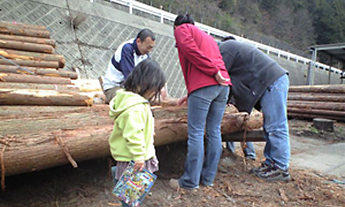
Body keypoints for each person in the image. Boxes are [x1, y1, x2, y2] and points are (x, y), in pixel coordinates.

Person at [169, 14, 232, 190]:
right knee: (214, 131)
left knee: (196, 132)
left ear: (177, 26)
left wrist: (213, 72)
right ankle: (208, 178)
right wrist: (191, 93)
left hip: (207, 82)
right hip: (223, 85)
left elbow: (191, 52)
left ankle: (190, 181)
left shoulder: (181, 29)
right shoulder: (207, 37)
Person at [218, 36, 291, 181]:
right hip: (270, 82)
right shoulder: (229, 50)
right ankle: (271, 163)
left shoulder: (225, 49)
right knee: (270, 127)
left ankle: (280, 168)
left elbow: (219, 80)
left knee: (276, 126)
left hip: (273, 82)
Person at [108, 59, 166, 206]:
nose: (154, 93)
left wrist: (149, 131)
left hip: (134, 156)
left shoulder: (135, 102)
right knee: (130, 199)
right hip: (134, 159)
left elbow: (140, 125)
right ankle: (119, 176)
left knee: (136, 191)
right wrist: (138, 157)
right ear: (143, 83)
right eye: (153, 89)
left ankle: (118, 174)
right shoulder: (134, 107)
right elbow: (133, 134)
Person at [102, 28, 156, 103]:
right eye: (148, 47)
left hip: (129, 88)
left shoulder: (145, 55)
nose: (149, 51)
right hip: (114, 87)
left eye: (151, 48)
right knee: (129, 100)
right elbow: (129, 79)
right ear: (138, 41)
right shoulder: (127, 49)